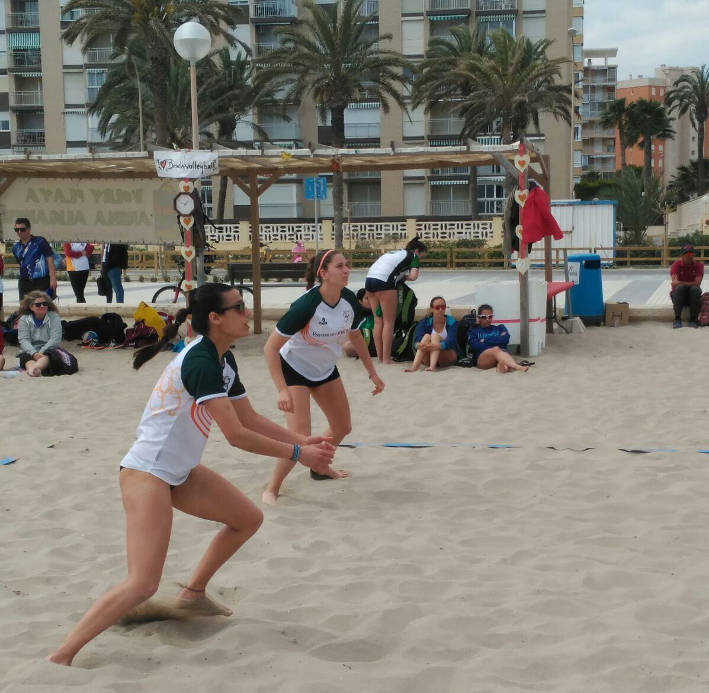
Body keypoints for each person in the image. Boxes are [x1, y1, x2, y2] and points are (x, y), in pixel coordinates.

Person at [48, 283, 336, 666]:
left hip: (179, 471)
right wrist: (299, 453)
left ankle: (193, 594)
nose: (247, 313)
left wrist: (301, 438)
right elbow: (236, 436)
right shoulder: (200, 360)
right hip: (147, 472)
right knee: (143, 583)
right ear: (215, 318)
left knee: (247, 519)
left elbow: (249, 418)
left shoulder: (223, 359)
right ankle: (62, 656)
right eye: (238, 308)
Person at [262, 249, 385, 505]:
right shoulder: (306, 305)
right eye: (340, 266)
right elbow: (270, 348)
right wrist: (281, 390)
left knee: (342, 427)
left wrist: (372, 372)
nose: (347, 270)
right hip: (293, 367)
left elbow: (355, 337)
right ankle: (272, 488)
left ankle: (319, 467)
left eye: (347, 265)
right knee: (300, 437)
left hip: (325, 369)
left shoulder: (349, 300)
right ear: (323, 273)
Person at [365, 236, 427, 365]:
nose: (420, 260)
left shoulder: (395, 253)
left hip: (369, 280)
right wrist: (404, 277)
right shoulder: (413, 256)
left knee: (378, 322)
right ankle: (387, 359)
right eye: (422, 257)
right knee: (389, 322)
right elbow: (413, 276)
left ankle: (380, 357)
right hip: (384, 282)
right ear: (416, 251)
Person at [466, 304, 530, 373]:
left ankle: (502, 367)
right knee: (496, 349)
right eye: (484, 317)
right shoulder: (473, 331)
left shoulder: (500, 327)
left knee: (502, 360)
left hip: (501, 354)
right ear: (479, 318)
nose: (488, 319)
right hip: (482, 359)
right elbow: (476, 346)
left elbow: (505, 340)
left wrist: (485, 340)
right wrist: (497, 342)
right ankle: (517, 367)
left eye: (490, 316)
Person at [404, 296, 460, 372]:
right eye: (437, 307)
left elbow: (452, 341)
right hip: (428, 356)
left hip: (447, 356)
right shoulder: (424, 322)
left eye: (443, 307)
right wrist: (418, 345)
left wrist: (437, 346)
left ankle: (432, 367)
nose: (441, 310)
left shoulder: (452, 322)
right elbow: (417, 339)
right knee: (426, 337)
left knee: (435, 336)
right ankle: (414, 367)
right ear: (431, 309)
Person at [16, 290, 63, 377]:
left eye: (44, 304)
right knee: (25, 357)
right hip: (31, 351)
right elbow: (24, 340)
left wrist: (40, 352)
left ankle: (34, 369)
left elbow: (55, 339)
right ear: (31, 307)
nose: (42, 306)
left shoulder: (54, 317)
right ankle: (33, 370)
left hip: (49, 349)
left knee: (48, 356)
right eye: (38, 304)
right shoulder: (23, 319)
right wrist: (34, 353)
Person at [11, 218, 57, 300]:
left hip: (42, 281)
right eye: (16, 229)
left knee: (44, 307)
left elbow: (50, 259)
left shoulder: (40, 241)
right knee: (25, 309)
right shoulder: (15, 248)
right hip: (24, 282)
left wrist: (53, 279)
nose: (19, 232)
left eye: (22, 229)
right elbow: (22, 264)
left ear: (29, 229)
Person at [670, 243, 704, 328]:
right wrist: (685, 284)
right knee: (680, 288)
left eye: (691, 253)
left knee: (695, 289)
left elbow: (697, 283)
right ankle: (677, 318)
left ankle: (693, 319)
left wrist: (681, 282)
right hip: (679, 297)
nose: (689, 256)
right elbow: (674, 283)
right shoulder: (676, 265)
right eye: (686, 254)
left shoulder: (699, 265)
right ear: (682, 255)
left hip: (693, 297)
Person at [343, 288, 375, 357]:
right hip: (361, 341)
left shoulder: (378, 312)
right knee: (347, 346)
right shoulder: (354, 314)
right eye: (367, 298)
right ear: (360, 301)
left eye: (372, 298)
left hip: (375, 340)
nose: (371, 300)